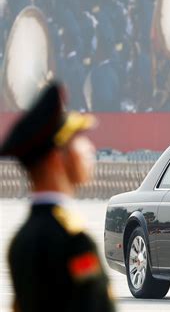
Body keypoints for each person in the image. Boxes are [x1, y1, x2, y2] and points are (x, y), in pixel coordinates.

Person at [0, 82, 115, 312]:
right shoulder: (73, 240)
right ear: (56, 159)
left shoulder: (21, 239)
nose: (89, 149)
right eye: (77, 141)